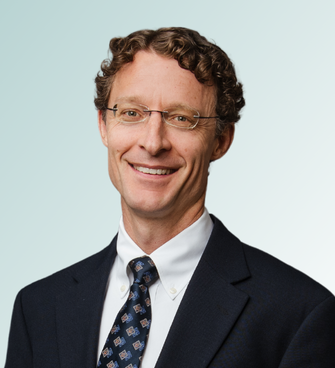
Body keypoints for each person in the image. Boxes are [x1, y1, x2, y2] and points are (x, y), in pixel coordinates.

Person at [5, 27, 335, 368]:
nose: (153, 142)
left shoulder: (298, 315)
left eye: (181, 118)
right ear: (104, 124)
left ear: (221, 141)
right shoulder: (38, 308)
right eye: (132, 113)